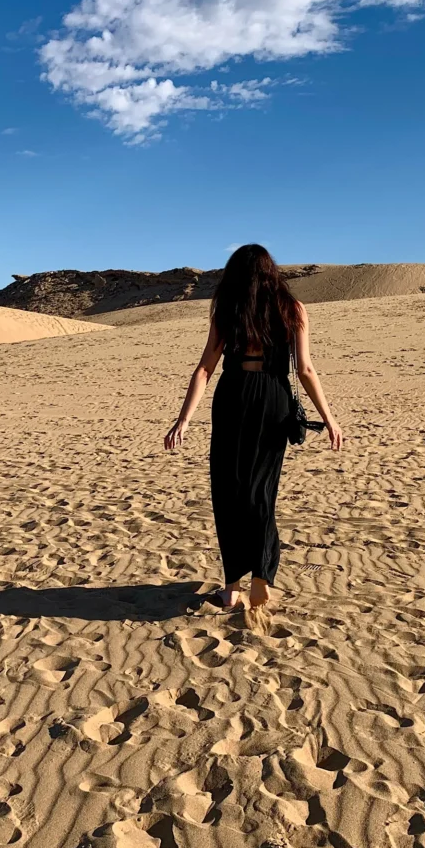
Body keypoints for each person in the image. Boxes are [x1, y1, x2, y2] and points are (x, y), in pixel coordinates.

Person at [164, 244, 343, 614]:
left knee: (229, 490)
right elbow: (306, 369)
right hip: (273, 401)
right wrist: (328, 418)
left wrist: (183, 419)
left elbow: (204, 369)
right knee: (262, 489)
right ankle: (262, 577)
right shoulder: (292, 309)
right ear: (271, 272)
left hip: (233, 398)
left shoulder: (227, 309)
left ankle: (231, 589)